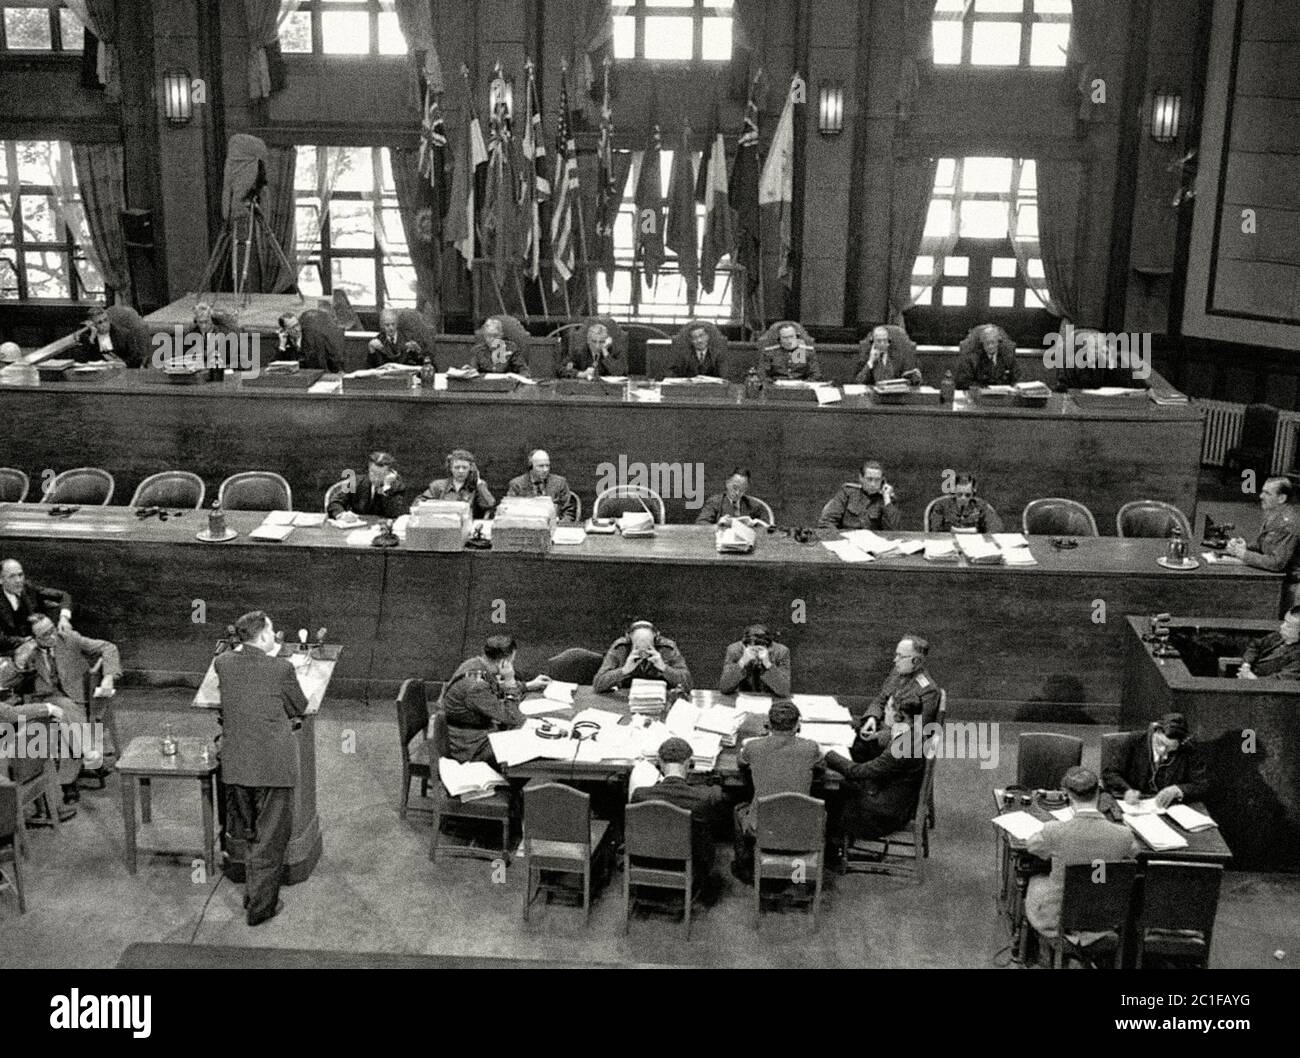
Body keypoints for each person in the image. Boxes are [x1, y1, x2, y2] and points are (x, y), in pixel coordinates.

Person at [213, 610, 309, 927]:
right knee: (270, 839)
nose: (275, 636)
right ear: (264, 636)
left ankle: (253, 892)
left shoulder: (223, 663)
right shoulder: (281, 668)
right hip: (272, 767)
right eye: (272, 631)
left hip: (236, 766)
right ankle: (260, 908)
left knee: (251, 834)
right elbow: (300, 707)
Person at [1023, 766, 1139, 943]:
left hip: (1058, 919)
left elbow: (1032, 846)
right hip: (1104, 918)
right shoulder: (1123, 834)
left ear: (1068, 796)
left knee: (1035, 879)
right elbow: (1134, 852)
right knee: (1098, 874)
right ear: (1099, 793)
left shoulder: (1054, 831)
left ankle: (1027, 945)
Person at [15, 614, 118, 801]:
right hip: (45, 699)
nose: (52, 636)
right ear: (33, 638)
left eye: (52, 629)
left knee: (66, 721)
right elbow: (10, 681)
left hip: (77, 699)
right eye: (45, 635)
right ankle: (89, 754)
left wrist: (109, 676)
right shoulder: (26, 652)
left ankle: (68, 780)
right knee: (65, 708)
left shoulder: (69, 638)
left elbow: (108, 647)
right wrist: (20, 662)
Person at [731, 699, 822, 883]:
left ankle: (746, 868)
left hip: (762, 828)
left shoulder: (753, 747)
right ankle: (799, 876)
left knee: (739, 809)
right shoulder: (811, 747)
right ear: (798, 725)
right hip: (802, 829)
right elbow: (821, 767)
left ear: (769, 724)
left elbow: (741, 762)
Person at [823, 693, 928, 852]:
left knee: (828, 792)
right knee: (840, 783)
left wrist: (827, 753)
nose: (885, 712)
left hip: (883, 814)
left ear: (899, 715)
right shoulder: (915, 732)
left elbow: (858, 771)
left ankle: (831, 850)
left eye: (888, 708)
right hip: (894, 798)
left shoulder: (903, 746)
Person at [438, 634, 550, 765]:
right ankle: (507, 786)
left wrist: (527, 685)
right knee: (530, 748)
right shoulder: (476, 687)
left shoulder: (475, 664)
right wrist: (510, 681)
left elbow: (494, 686)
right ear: (504, 662)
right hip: (470, 746)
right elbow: (513, 718)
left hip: (467, 734)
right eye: (512, 660)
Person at [629, 735, 726, 881]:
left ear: (659, 763)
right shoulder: (703, 798)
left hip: (645, 860)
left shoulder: (639, 795)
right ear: (689, 763)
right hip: (686, 864)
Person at [1101, 712, 1210, 809]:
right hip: (1134, 805)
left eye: (1170, 748)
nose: (1163, 750)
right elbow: (1110, 773)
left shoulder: (1189, 750)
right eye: (1160, 743)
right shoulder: (1134, 741)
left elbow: (1203, 785)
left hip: (1168, 808)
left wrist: (1177, 790)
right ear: (1156, 732)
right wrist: (1127, 790)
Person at [1225, 477, 1300, 611]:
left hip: (1289, 585)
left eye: (1267, 493)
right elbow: (1265, 544)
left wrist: (1243, 554)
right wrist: (1245, 546)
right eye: (1262, 492)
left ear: (1281, 498)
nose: (1261, 496)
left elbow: (1277, 563)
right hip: (1275, 578)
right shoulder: (1274, 514)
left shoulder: (1289, 523)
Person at [856, 636, 942, 740]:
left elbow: (919, 732)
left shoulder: (928, 690)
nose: (895, 660)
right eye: (896, 655)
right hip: (881, 729)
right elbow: (880, 700)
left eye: (901, 656)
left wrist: (879, 736)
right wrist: (872, 718)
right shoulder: (896, 673)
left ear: (916, 661)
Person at [592, 620, 693, 693]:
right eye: (637, 647)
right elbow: (598, 684)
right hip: (628, 700)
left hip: (659, 699)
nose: (643, 653)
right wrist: (623, 670)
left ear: (656, 640)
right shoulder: (620, 647)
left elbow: (688, 684)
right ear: (630, 640)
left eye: (648, 647)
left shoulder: (667, 648)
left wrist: (664, 668)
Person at [1, 559, 72, 654]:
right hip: (8, 651)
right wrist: (25, 641)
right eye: (12, 576)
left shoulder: (28, 588)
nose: (18, 580)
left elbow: (63, 595)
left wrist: (64, 619)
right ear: (1, 579)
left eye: (20, 575)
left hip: (39, 646)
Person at [818, 459, 901, 531]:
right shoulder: (847, 493)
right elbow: (826, 522)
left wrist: (886, 498)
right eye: (869, 479)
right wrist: (839, 540)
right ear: (861, 478)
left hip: (872, 546)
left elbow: (893, 530)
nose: (873, 484)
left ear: (882, 480)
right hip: (846, 542)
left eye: (877, 480)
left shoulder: (887, 500)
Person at [327, 450, 407, 520]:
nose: (375, 478)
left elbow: (394, 514)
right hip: (358, 529)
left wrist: (386, 488)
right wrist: (341, 515)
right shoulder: (354, 481)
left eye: (381, 475)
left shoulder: (397, 487)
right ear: (368, 469)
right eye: (373, 473)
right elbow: (335, 503)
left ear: (391, 474)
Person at [416, 449, 496, 518]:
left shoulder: (478, 486)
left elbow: (489, 505)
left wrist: (477, 481)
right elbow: (418, 504)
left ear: (471, 469)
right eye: (457, 467)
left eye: (464, 467)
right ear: (450, 468)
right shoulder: (438, 486)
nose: (461, 471)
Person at [718, 623, 792, 697]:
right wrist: (742, 661)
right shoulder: (735, 650)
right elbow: (724, 688)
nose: (756, 653)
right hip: (744, 699)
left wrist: (768, 664)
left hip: (771, 698)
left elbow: (784, 691)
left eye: (759, 649)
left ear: (768, 647)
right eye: (752, 649)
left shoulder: (781, 652)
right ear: (745, 646)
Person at [505, 449, 579, 523]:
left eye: (547, 466)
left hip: (555, 529)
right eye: (541, 466)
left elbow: (569, 512)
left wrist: (560, 525)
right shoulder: (517, 485)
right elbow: (510, 512)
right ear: (531, 466)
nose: (545, 469)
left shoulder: (560, 483)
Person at [926, 473, 1004, 533]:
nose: (963, 498)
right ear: (954, 491)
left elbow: (996, 527)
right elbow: (935, 530)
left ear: (973, 492)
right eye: (959, 494)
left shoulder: (981, 506)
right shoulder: (941, 506)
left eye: (967, 495)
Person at [1239, 605, 1300, 679]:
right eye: (1285, 622)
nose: (1282, 626)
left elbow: (1281, 679)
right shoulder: (1279, 635)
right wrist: (1246, 664)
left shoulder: (1297, 656)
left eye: (1289, 626)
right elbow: (1255, 645)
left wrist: (1254, 679)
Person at [954, 323, 1018, 389]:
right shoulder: (972, 357)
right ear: (982, 342)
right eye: (987, 343)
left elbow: (1016, 378)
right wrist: (983, 388)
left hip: (1004, 395)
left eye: (993, 342)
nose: (990, 346)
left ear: (998, 341)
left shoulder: (1007, 355)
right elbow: (962, 382)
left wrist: (1015, 386)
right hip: (980, 395)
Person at [695, 468, 769, 525]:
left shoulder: (753, 505)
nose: (737, 493)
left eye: (742, 489)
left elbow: (765, 527)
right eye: (735, 488)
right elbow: (700, 524)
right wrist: (718, 525)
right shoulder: (715, 502)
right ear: (727, 484)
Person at [854, 324, 921, 385]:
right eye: (879, 341)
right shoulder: (866, 355)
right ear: (873, 342)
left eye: (885, 340)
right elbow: (859, 382)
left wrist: (915, 377)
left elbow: (908, 379)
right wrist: (870, 362)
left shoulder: (898, 355)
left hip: (895, 394)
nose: (882, 344)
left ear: (889, 341)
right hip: (874, 395)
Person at [71, 305, 137, 367]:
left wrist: (123, 362)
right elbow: (79, 360)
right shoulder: (86, 336)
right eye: (100, 322)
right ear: (92, 324)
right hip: (96, 374)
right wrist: (91, 339)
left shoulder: (124, 334)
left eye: (105, 320)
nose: (104, 324)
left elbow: (135, 358)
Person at [276, 312, 342, 373]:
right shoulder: (283, 341)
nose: (297, 329)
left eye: (297, 325)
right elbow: (274, 368)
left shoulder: (316, 337)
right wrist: (282, 346)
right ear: (285, 330)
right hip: (293, 380)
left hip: (317, 376)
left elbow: (333, 359)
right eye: (292, 327)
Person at [563, 321, 628, 378]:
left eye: (601, 342)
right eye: (594, 341)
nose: (597, 346)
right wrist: (581, 374)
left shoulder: (614, 350)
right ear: (588, 340)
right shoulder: (579, 351)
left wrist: (605, 352)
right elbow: (562, 368)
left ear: (606, 341)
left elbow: (621, 372)